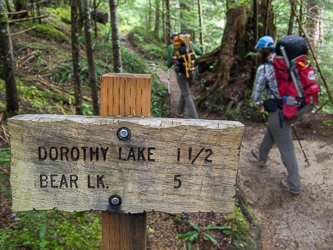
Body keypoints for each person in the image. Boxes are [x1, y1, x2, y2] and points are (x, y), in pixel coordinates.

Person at [251, 36, 301, 195]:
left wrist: (259, 104)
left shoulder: (264, 68)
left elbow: (256, 94)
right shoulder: (287, 62)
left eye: (258, 49)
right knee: (272, 130)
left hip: (278, 111)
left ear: (261, 50)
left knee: (286, 148)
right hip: (292, 107)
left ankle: (294, 185)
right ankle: (262, 155)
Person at [165, 33, 202, 119]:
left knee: (187, 94)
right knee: (185, 92)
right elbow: (200, 52)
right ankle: (180, 111)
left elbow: (169, 64)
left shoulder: (172, 46)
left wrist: (167, 63)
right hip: (192, 71)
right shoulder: (189, 43)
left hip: (181, 73)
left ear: (172, 39)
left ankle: (194, 117)